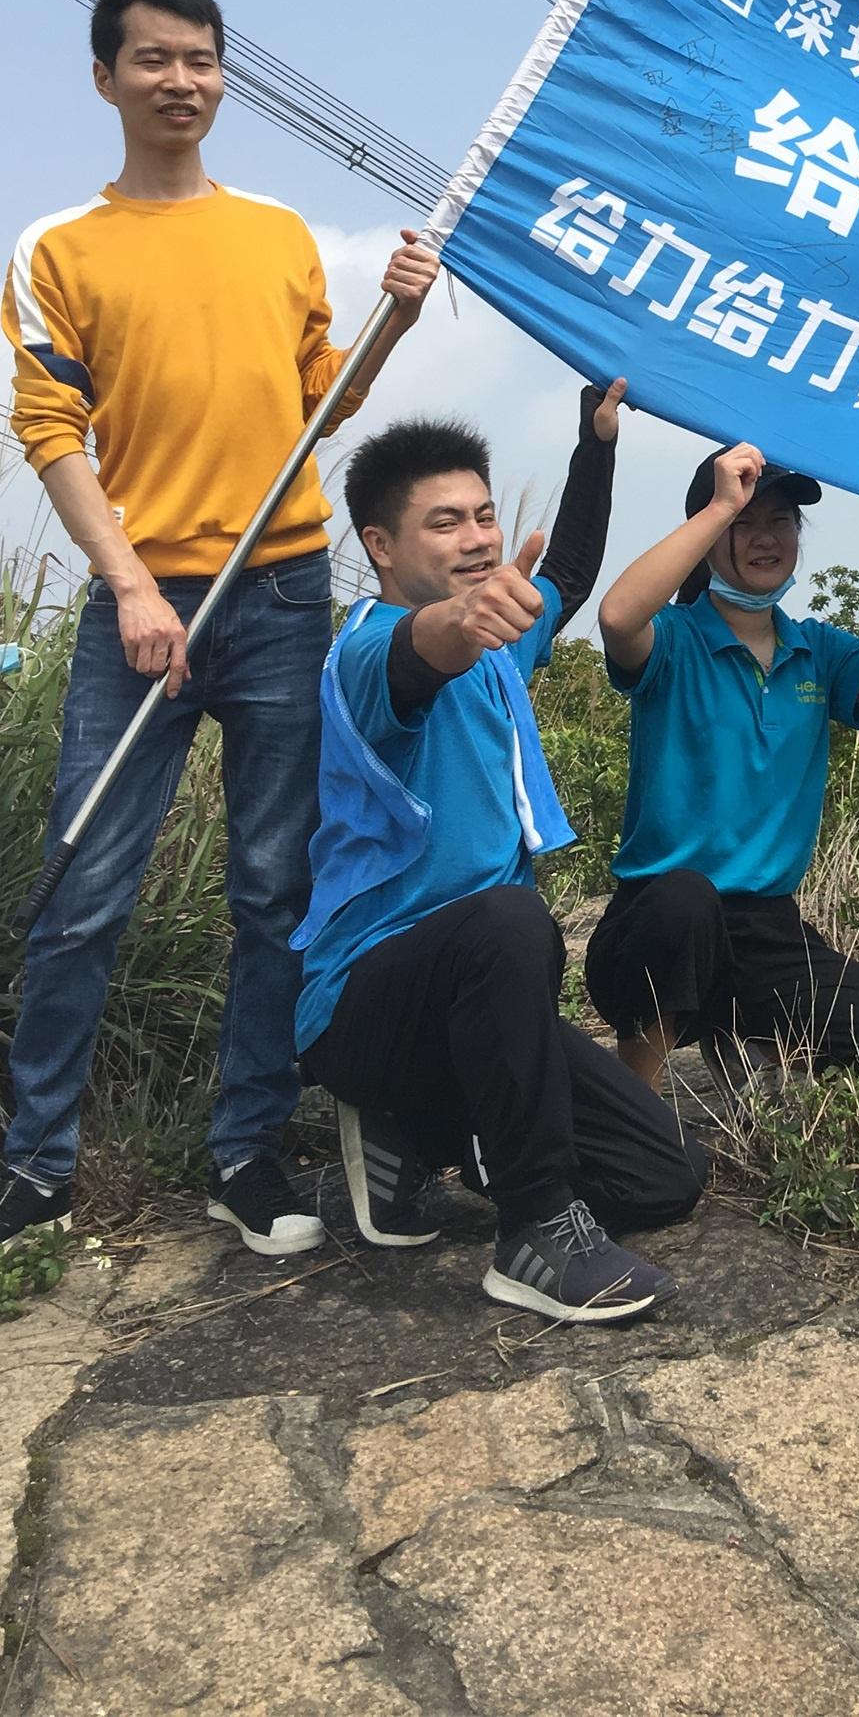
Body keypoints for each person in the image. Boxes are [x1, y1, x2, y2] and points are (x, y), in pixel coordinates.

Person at [0, 0, 435, 1254]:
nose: (181, 80)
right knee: (83, 885)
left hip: (284, 589)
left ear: (225, 76)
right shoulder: (58, 245)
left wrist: (392, 322)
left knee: (271, 888)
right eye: (154, 60)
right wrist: (129, 584)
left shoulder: (281, 233)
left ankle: (246, 1148)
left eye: (202, 60)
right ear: (105, 78)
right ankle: (38, 1167)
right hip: (140, 603)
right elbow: (50, 427)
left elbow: (319, 407)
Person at [296, 391, 706, 1325]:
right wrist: (459, 623)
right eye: (445, 523)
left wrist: (593, 443)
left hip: (481, 1000)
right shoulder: (366, 654)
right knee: (512, 917)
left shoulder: (502, 648)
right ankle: (530, 1232)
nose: (478, 538)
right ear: (381, 546)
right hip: (367, 1004)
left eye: (484, 515)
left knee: (666, 1176)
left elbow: (568, 563)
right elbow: (420, 652)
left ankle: (423, 1129)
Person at [588, 443, 859, 1092]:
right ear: (708, 532)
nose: (764, 538)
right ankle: (630, 1100)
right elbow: (616, 616)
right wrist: (720, 502)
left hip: (766, 929)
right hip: (655, 921)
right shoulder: (671, 639)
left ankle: (744, 1032)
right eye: (743, 523)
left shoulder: (818, 651)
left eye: (779, 521)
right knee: (686, 901)